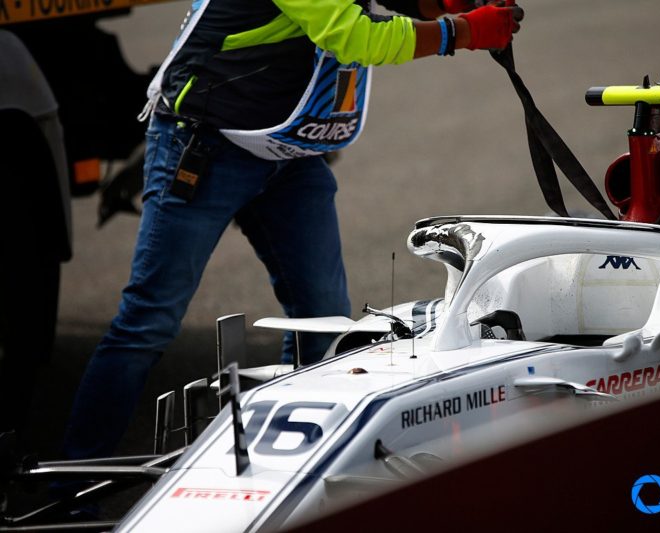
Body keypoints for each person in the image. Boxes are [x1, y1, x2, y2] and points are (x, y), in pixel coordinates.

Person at [60, 0, 525, 461]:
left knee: (322, 319)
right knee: (148, 322)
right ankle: (73, 479)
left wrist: (436, 3)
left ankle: (287, 463)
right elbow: (356, 37)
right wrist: (461, 31)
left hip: (286, 148)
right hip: (205, 145)